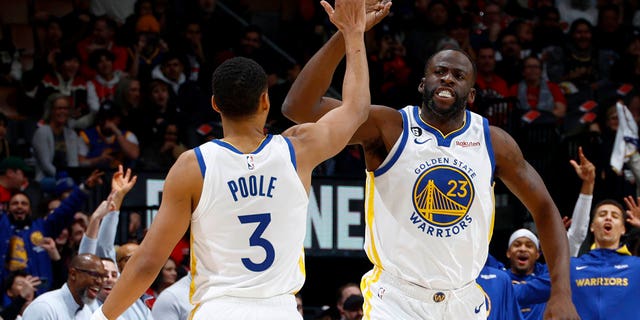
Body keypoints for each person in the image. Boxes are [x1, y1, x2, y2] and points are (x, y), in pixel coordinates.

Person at [281, 2, 578, 319]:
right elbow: (300, 107)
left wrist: (562, 293)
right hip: (395, 300)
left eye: (458, 75)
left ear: (472, 94)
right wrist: (348, 32)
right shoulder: (389, 127)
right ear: (423, 84)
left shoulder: (493, 141)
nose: (448, 79)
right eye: (440, 72)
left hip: (464, 300)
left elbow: (545, 208)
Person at [91, 0, 370, 318]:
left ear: (215, 104)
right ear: (265, 101)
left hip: (218, 309)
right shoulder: (299, 149)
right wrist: (353, 32)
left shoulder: (193, 165)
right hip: (280, 309)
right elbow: (356, 109)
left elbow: (147, 263)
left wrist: (101, 317)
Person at [22, 253, 107, 319]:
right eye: (94, 275)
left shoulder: (87, 312)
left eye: (103, 277)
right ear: (73, 274)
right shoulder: (44, 308)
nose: (100, 281)